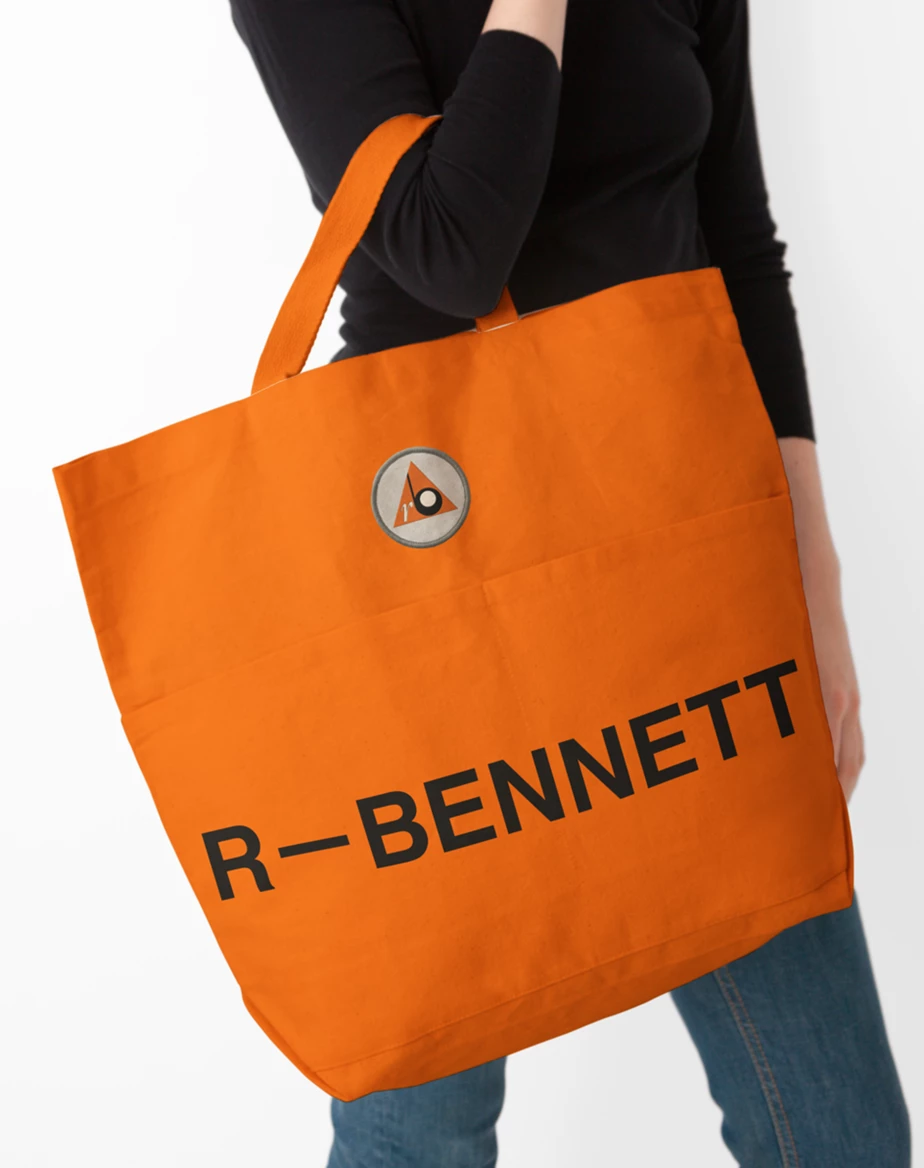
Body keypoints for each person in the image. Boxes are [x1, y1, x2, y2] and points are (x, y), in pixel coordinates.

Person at [228, 1, 910, 1163]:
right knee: (421, 1133)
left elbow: (739, 243)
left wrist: (815, 577)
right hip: (439, 596)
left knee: (840, 1130)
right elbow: (455, 252)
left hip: (687, 574)